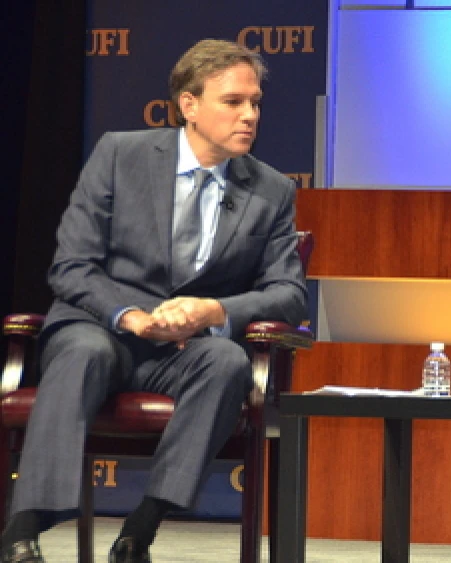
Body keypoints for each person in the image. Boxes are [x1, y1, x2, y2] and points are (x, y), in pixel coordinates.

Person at [0, 39, 307, 563]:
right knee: (83, 353)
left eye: (255, 102)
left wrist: (215, 311)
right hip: (103, 328)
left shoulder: (272, 190)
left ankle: (141, 529)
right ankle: (22, 532)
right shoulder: (120, 154)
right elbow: (71, 266)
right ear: (189, 105)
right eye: (233, 102)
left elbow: (290, 293)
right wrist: (134, 316)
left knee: (227, 360)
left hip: (184, 352)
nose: (250, 115)